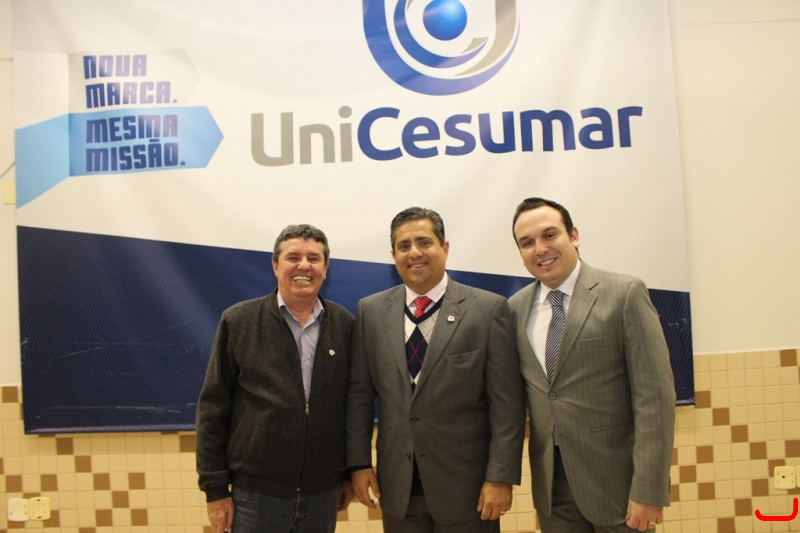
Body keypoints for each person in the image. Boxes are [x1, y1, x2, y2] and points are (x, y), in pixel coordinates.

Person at [347, 207, 525, 533]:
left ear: (444, 248)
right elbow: (359, 396)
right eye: (403, 246)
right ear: (393, 255)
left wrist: (500, 478)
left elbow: (507, 406)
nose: (414, 253)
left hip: (468, 491)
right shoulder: (370, 312)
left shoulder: (488, 310)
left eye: (424, 242)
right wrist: (359, 464)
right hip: (397, 489)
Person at [508, 197, 676, 533]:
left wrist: (649, 488)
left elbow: (655, 399)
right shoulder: (514, 310)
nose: (540, 249)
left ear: (574, 235)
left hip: (619, 488)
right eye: (527, 243)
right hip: (553, 492)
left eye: (549, 235)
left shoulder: (624, 294)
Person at [195, 224, 354, 533]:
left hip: (322, 495)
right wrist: (215, 490)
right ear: (275, 265)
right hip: (255, 497)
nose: (304, 266)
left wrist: (347, 474)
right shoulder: (238, 322)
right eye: (293, 257)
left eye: (314, 258)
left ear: (325, 268)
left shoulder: (345, 325)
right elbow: (213, 409)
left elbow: (350, 407)